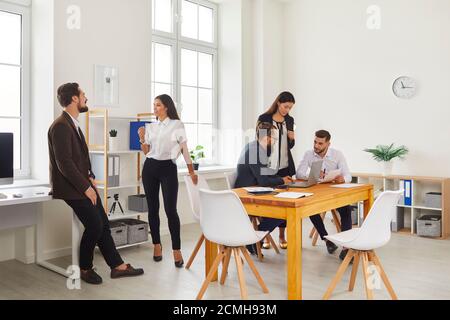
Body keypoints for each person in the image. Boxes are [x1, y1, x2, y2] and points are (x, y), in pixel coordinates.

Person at [48, 83, 144, 285]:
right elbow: (64, 163)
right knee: (95, 225)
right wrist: (86, 188)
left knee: (103, 224)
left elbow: (80, 158)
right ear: (74, 98)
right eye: (83, 94)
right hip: (72, 188)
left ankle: (117, 266)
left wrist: (90, 176)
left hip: (82, 183)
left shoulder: (72, 123)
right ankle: (85, 268)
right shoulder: (60, 126)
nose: (86, 97)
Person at [138, 94, 198, 268]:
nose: (154, 108)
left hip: (168, 169)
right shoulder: (151, 126)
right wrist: (142, 138)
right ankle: (156, 245)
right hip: (150, 168)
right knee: (153, 209)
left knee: (171, 210)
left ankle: (176, 250)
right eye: (154, 105)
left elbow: (184, 149)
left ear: (166, 107)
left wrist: (191, 171)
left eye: (157, 105)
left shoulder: (177, 125)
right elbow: (147, 152)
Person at [234, 122, 294, 255]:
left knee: (282, 210)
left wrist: (281, 178)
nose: (274, 142)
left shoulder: (255, 148)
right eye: (274, 139)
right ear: (267, 138)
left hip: (252, 190)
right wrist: (282, 180)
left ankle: (255, 239)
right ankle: (252, 239)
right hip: (246, 196)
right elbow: (264, 180)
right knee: (281, 213)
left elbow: (264, 173)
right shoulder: (255, 152)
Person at [296, 130, 353, 260]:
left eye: (320, 143)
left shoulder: (337, 155)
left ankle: (346, 248)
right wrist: (312, 176)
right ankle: (327, 240)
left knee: (346, 209)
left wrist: (343, 179)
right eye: (315, 142)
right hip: (316, 191)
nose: (316, 146)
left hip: (333, 192)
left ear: (328, 143)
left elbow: (348, 175)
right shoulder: (309, 154)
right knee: (310, 208)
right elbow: (299, 173)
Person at [257, 92, 297, 250]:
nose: (287, 110)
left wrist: (292, 138)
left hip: (285, 165)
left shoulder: (289, 120)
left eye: (290, 107)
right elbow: (261, 143)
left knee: (285, 202)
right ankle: (265, 236)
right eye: (285, 106)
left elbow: (290, 146)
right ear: (278, 103)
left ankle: (281, 235)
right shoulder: (264, 118)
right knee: (268, 201)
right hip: (268, 165)